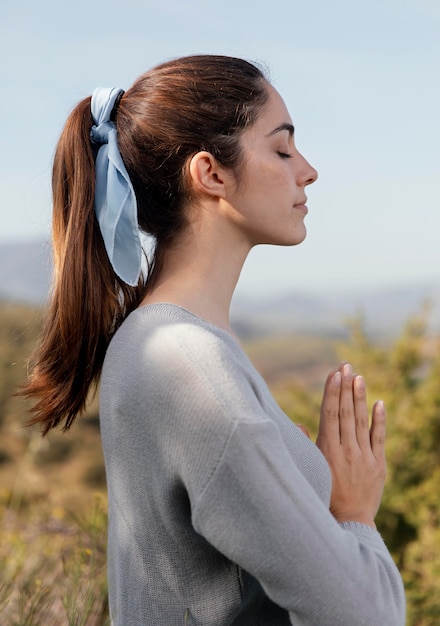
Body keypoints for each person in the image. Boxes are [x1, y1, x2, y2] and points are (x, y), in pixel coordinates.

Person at [22, 55, 405, 625]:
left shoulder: (165, 342)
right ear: (211, 175)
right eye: (281, 149)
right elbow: (366, 614)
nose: (308, 171)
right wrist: (353, 512)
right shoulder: (189, 365)